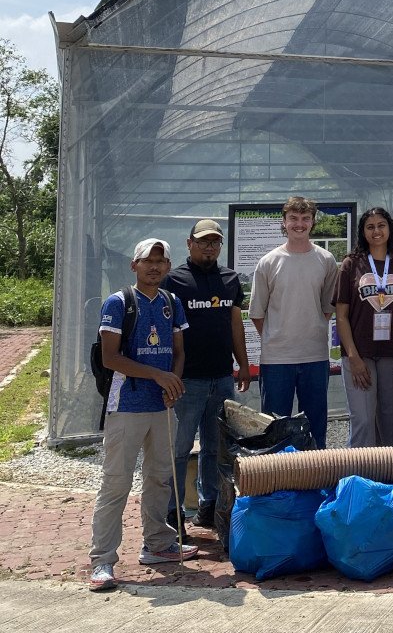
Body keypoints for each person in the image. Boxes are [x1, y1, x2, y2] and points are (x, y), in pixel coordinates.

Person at [89, 238, 195, 592]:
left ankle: (158, 544)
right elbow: (110, 358)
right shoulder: (119, 303)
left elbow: (179, 351)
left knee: (160, 479)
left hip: (162, 407)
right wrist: (156, 375)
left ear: (167, 267)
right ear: (134, 265)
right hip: (127, 406)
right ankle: (102, 559)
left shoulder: (171, 302)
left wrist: (174, 381)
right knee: (116, 483)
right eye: (148, 261)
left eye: (161, 261)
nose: (155, 267)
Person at [161, 219, 251, 538]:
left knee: (216, 447)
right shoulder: (173, 281)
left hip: (222, 378)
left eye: (215, 242)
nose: (209, 247)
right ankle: (171, 514)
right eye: (203, 242)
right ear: (190, 244)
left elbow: (235, 325)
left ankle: (209, 508)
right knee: (180, 447)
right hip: (187, 381)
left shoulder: (230, 280)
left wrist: (243, 364)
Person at [248, 196, 339, 448]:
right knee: (275, 427)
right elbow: (257, 313)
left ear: (313, 222)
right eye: (294, 218)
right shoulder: (268, 262)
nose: (299, 224)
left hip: (315, 356)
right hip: (277, 359)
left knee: (315, 425)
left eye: (305, 218)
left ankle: (316, 478)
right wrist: (276, 336)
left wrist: (311, 329)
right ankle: (277, 482)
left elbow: (326, 308)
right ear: (284, 222)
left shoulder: (326, 260)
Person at [334, 207, 393, 447]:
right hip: (360, 355)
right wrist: (353, 357)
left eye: (381, 225)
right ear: (363, 232)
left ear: (390, 229)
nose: (376, 231)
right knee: (364, 421)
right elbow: (341, 317)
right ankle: (360, 478)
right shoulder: (351, 264)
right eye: (370, 227)